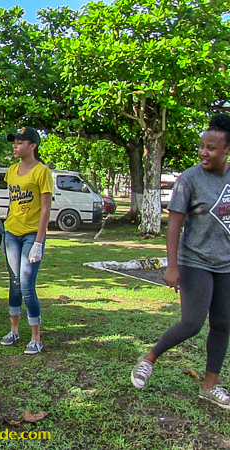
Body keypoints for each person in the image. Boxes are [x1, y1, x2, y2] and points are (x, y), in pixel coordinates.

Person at [131, 114, 230, 409]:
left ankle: (209, 386)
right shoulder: (190, 179)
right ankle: (149, 358)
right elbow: (174, 223)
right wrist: (172, 266)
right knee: (192, 323)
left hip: (226, 263)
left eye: (211, 148)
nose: (203, 153)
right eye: (202, 147)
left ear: (227, 149)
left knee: (223, 324)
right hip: (195, 260)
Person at [1, 126, 52, 355]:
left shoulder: (42, 171)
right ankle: (14, 330)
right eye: (14, 142)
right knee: (14, 283)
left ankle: (35, 337)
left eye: (20, 142)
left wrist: (39, 242)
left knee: (27, 284)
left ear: (32, 146)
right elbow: (12, 202)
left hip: (32, 234)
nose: (15, 146)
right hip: (12, 232)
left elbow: (45, 209)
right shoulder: (12, 170)